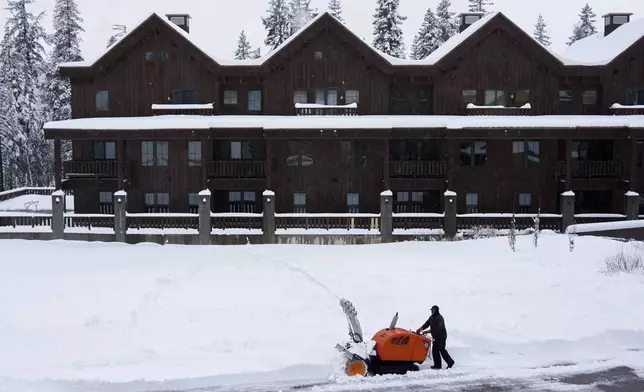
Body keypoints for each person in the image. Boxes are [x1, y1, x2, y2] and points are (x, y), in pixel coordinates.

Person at [416, 305, 455, 369]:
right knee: (435, 351)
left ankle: (450, 362)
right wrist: (420, 329)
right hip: (435, 337)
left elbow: (436, 329)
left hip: (441, 336)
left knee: (441, 350)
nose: (431, 312)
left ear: (436, 310)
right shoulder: (431, 317)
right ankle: (437, 365)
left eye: (432, 310)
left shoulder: (439, 318)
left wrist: (426, 332)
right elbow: (426, 324)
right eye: (431, 310)